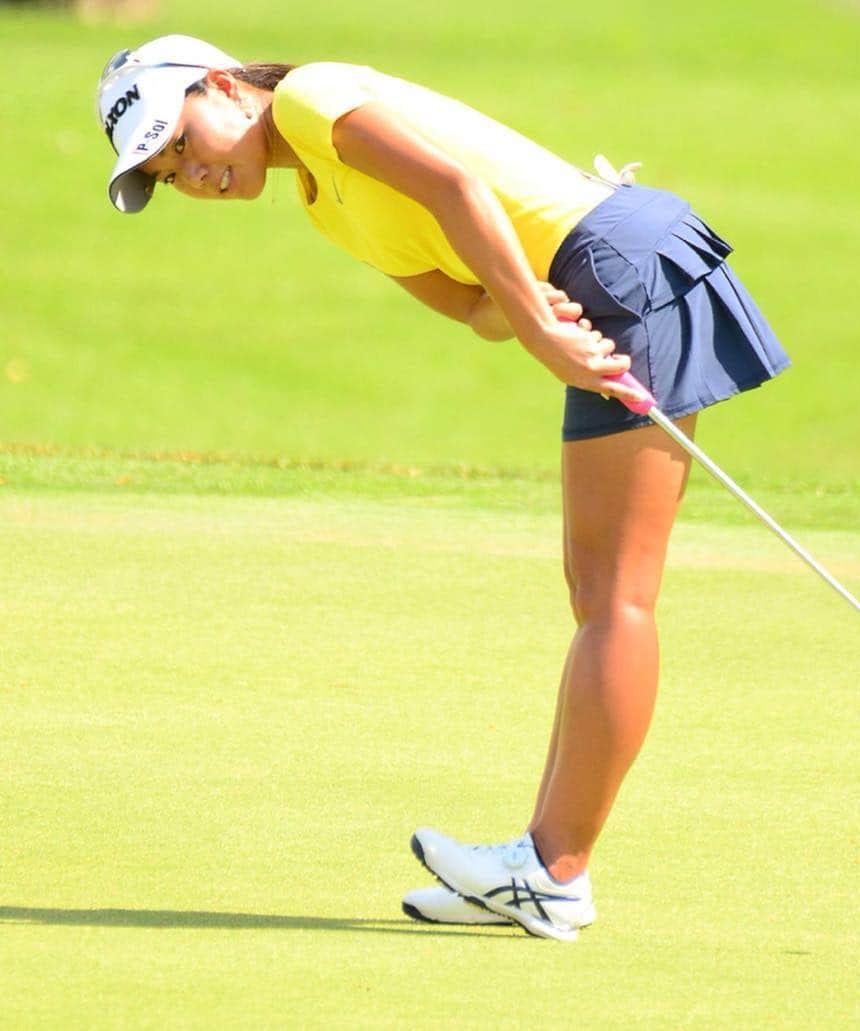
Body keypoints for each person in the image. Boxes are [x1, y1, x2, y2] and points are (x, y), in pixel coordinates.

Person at [97, 34, 790, 941]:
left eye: (183, 140)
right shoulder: (320, 204)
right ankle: (543, 864)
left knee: (617, 596)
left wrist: (545, 318)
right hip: (597, 269)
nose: (193, 174)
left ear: (223, 87)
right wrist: (531, 306)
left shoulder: (310, 98)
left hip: (618, 260)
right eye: (167, 171)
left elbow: (456, 187)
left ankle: (555, 871)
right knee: (598, 594)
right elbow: (469, 307)